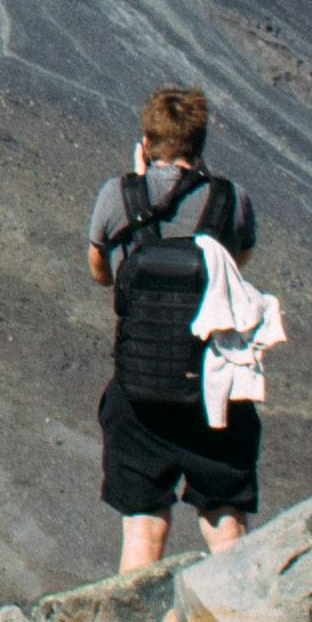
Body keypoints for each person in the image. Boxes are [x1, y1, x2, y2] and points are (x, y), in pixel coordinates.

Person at [87, 82, 261, 574]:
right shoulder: (231, 199)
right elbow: (238, 264)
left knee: (143, 524)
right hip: (214, 390)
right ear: (200, 143)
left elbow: (101, 273)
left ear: (146, 142)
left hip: (138, 391)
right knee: (225, 518)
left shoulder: (117, 195)